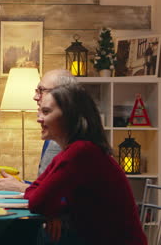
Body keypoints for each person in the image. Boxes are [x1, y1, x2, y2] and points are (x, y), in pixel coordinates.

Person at [24, 84, 147, 245]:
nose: (39, 118)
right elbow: (33, 192)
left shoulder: (80, 152)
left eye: (46, 112)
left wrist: (52, 208)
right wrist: (54, 210)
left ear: (69, 116)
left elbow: (37, 201)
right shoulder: (71, 152)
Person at [0, 69, 76, 192]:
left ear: (63, 94)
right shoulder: (56, 132)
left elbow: (61, 194)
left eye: (41, 90)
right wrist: (18, 184)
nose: (35, 97)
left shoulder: (74, 140)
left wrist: (20, 187)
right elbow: (47, 184)